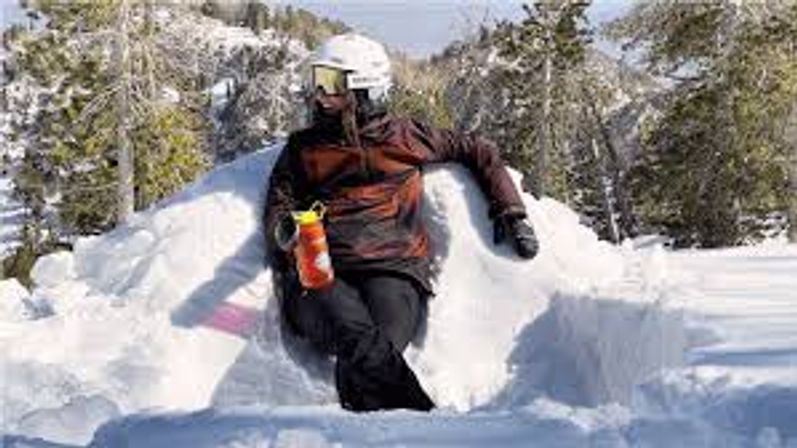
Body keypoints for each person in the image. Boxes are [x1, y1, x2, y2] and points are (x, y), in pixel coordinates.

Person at [263, 33, 538, 412]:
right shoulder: (304, 148)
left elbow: (478, 149)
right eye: (317, 79)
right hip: (323, 272)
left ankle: (370, 427)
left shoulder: (405, 137)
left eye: (331, 82)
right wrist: (284, 232)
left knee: (372, 352)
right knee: (359, 341)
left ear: (364, 90)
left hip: (395, 269)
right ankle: (428, 425)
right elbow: (279, 200)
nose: (320, 93)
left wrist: (511, 212)